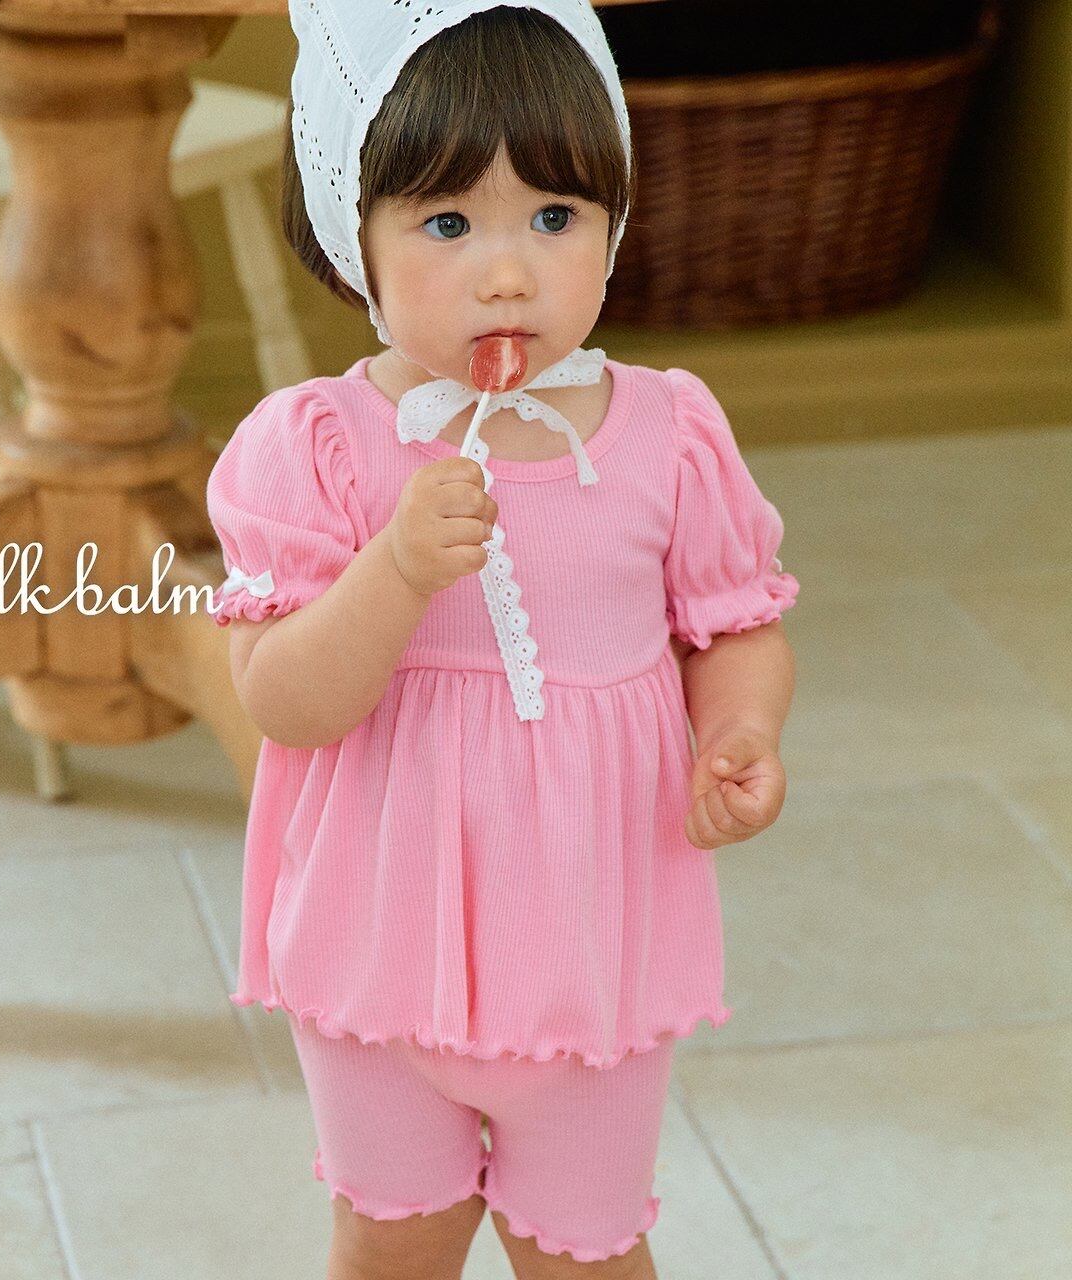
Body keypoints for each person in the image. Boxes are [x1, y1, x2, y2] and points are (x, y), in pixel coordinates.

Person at [206, 4, 799, 1277]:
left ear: (611, 223)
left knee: (585, 1249)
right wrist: (393, 571)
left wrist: (738, 727)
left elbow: (736, 623)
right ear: (349, 237)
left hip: (591, 954)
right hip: (374, 956)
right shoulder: (318, 449)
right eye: (445, 223)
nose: (508, 273)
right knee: (391, 1240)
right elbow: (284, 701)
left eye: (554, 215)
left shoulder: (664, 433)